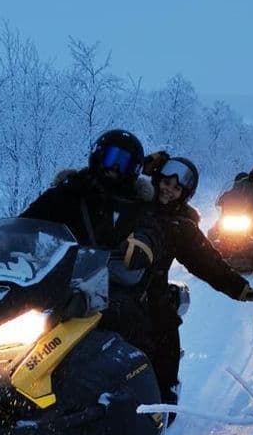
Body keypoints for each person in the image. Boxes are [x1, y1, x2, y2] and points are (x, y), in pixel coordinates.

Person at [148, 155, 253, 419]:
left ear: (185, 193)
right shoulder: (134, 202)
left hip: (149, 294)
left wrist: (243, 290)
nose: (168, 189)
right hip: (98, 288)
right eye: (165, 182)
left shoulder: (181, 225)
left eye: (177, 187)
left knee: (165, 335)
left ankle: (164, 403)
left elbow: (207, 263)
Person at [21, 128, 161, 356]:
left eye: (123, 163)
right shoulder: (69, 191)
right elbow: (27, 223)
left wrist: (143, 244)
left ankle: (134, 373)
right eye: (111, 158)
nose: (115, 168)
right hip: (55, 280)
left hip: (112, 286)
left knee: (130, 325)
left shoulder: (137, 204)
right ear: (98, 155)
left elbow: (151, 230)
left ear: (134, 168)